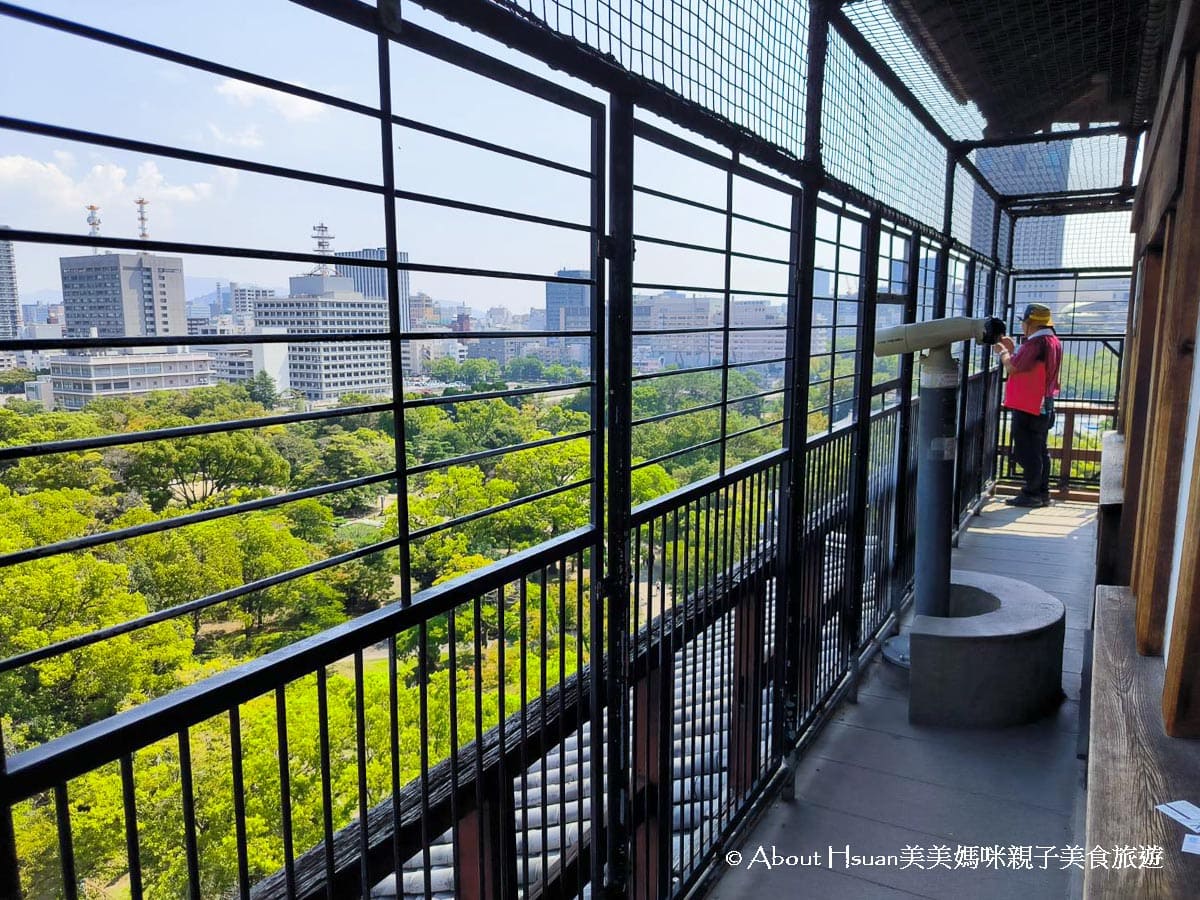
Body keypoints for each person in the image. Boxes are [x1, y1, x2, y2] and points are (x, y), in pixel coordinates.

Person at [994, 303, 1062, 508]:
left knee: (1027, 449)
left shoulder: (1036, 343)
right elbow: (1028, 364)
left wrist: (1003, 352)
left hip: (1029, 404)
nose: (1022, 326)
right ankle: (1042, 492)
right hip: (1044, 401)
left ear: (1030, 323)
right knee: (1040, 448)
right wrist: (1014, 349)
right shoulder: (1052, 341)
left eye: (1024, 322)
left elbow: (1013, 367)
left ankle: (1031, 492)